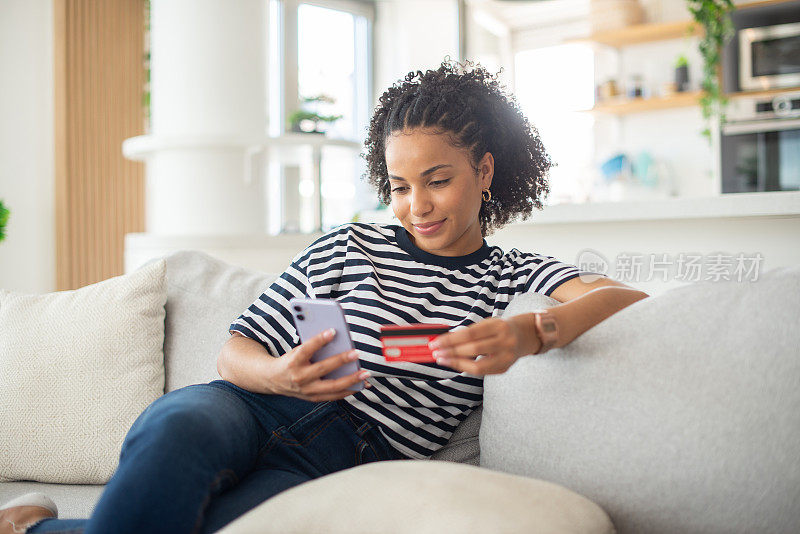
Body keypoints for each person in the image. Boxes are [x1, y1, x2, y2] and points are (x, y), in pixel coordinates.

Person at [0, 59, 649, 534]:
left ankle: (30, 529)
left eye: (437, 180)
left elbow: (627, 295)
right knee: (177, 426)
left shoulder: (511, 274)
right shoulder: (347, 247)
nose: (415, 205)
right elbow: (235, 351)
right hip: (250, 408)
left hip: (344, 459)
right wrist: (279, 374)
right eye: (398, 185)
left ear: (483, 170)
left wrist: (535, 332)